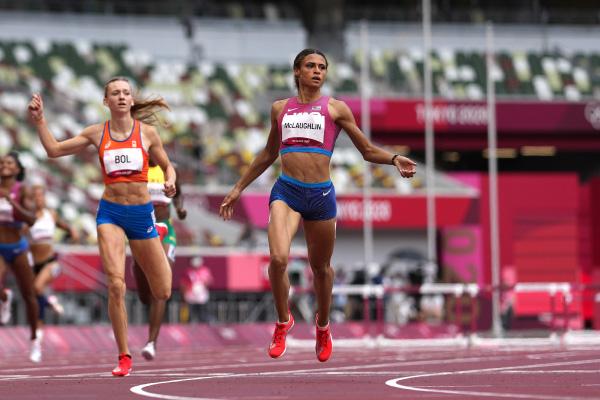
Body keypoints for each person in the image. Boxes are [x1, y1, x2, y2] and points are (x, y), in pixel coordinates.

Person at [219, 49, 417, 362]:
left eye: (322, 67)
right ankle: (283, 321)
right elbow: (269, 153)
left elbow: (365, 150)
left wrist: (393, 159)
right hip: (287, 191)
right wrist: (238, 188)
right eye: (310, 66)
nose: (317, 71)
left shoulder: (336, 109)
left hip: (321, 196)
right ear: (297, 71)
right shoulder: (279, 109)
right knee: (278, 259)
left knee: (320, 268)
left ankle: (322, 326)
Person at [28, 77, 176, 377]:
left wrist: (171, 180)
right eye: (114, 93)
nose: (121, 97)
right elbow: (54, 151)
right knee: (116, 285)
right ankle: (123, 355)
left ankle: (157, 234)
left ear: (131, 100)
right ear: (106, 102)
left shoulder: (147, 134)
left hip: (141, 213)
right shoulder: (97, 133)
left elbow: (168, 165)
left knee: (162, 291)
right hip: (110, 213)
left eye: (125, 93)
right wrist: (40, 120)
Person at [131, 152, 186, 361]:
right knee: (145, 296)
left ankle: (151, 342)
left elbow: (178, 193)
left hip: (165, 230)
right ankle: (136, 266)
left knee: (162, 286)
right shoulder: (138, 170)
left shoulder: (170, 170)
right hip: (142, 230)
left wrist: (179, 208)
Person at [25, 184, 81, 349]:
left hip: (50, 262)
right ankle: (40, 329)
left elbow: (64, 226)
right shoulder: (28, 217)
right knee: (35, 297)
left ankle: (50, 302)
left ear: (45, 198)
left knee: (37, 288)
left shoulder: (51, 214)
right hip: (32, 263)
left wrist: (72, 231)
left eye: (41, 196)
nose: (39, 199)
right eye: (35, 197)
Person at [0, 151, 41, 362]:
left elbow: (32, 218)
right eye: (2, 163)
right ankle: (5, 298)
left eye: (9, 163)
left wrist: (11, 201)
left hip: (18, 246)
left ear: (17, 169)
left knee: (29, 295)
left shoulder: (22, 189)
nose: (4, 165)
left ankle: (34, 340)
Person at [179, 256, 213, 324]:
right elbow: (183, 284)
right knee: (191, 314)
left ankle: (203, 326)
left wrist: (205, 283)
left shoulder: (205, 270)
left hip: (201, 295)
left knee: (202, 313)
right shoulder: (187, 271)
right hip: (190, 295)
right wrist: (183, 294)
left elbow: (209, 281)